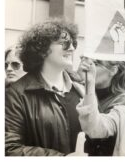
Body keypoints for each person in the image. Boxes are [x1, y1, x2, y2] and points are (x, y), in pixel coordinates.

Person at [5, 19, 84, 156]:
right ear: (42, 49)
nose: (71, 48)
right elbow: (9, 148)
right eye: (64, 43)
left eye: (72, 43)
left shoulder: (80, 90)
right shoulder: (16, 94)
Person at [81, 59, 125, 156]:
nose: (89, 67)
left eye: (96, 63)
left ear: (113, 70)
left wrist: (88, 85)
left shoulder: (123, 102)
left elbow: (97, 132)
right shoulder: (81, 90)